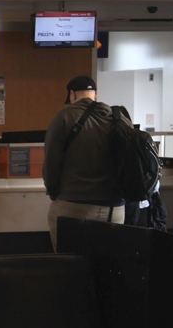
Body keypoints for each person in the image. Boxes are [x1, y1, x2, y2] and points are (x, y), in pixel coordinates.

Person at [43, 75, 124, 250]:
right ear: (96, 94)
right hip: (115, 210)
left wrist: (53, 193)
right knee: (108, 262)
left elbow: (52, 161)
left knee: (70, 262)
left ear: (72, 94)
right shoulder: (118, 117)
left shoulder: (65, 115)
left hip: (74, 206)